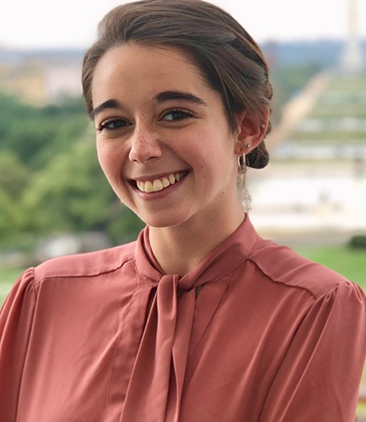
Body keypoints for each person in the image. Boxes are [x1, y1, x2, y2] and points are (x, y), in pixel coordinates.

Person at [1, 0, 365, 421]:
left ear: (248, 127)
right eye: (114, 123)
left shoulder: (312, 308)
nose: (141, 149)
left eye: (175, 115)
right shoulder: (43, 296)